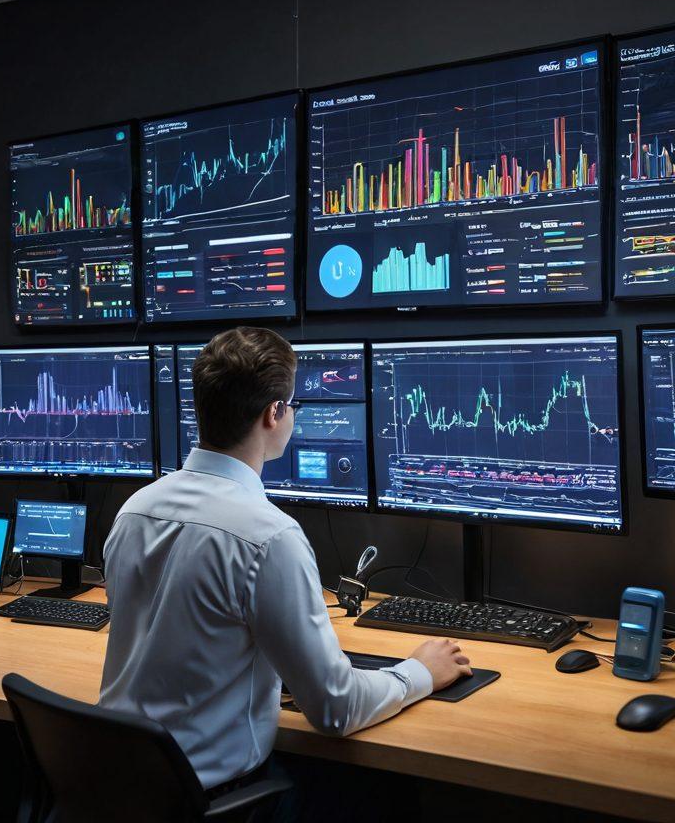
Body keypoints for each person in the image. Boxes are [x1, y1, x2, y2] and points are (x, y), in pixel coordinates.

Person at [99, 326, 471, 794]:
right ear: (274, 414)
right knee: (383, 798)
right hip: (209, 800)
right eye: (293, 405)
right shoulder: (268, 537)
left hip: (114, 788)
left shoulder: (133, 511)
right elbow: (337, 710)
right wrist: (419, 671)